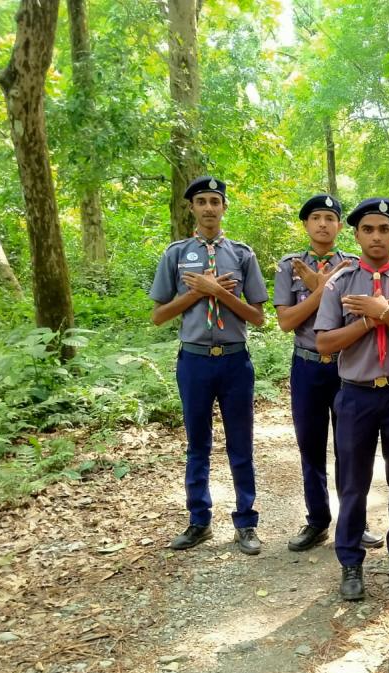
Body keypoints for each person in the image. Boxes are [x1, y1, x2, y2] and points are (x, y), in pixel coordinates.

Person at [314, 197, 389, 601]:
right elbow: (324, 344)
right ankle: (350, 562)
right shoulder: (340, 283)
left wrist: (388, 315)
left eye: (384, 229)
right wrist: (368, 320)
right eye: (368, 229)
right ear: (357, 236)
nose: (376, 236)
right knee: (353, 483)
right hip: (356, 395)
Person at [149, 176, 268, 555]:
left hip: (234, 361)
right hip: (194, 361)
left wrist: (218, 292)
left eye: (215, 201)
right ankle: (199, 520)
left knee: (241, 445)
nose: (209, 208)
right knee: (197, 444)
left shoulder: (242, 255)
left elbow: (258, 317)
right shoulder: (176, 254)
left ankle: (246, 522)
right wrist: (195, 293)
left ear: (224, 208)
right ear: (192, 208)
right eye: (201, 201)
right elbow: (158, 316)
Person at [274, 194, 383, 553]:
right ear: (306, 224)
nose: (323, 224)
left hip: (345, 366)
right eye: (316, 218)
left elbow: (356, 315)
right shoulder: (289, 266)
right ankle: (318, 520)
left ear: (339, 226)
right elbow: (286, 321)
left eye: (330, 218)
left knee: (351, 447)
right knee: (311, 446)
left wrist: (320, 287)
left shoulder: (353, 268)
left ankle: (355, 521)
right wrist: (322, 290)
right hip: (307, 365)